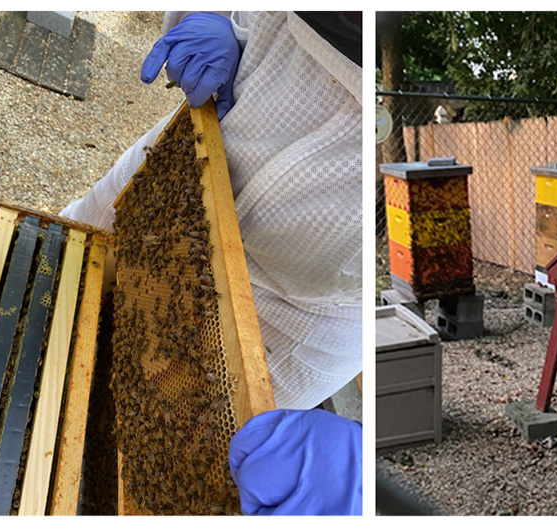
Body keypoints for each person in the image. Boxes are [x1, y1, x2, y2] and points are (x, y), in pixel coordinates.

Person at [60, 11, 362, 515]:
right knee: (54, 264)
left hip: (298, 310)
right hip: (183, 168)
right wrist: (220, 15)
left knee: (180, 447)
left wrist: (361, 471)